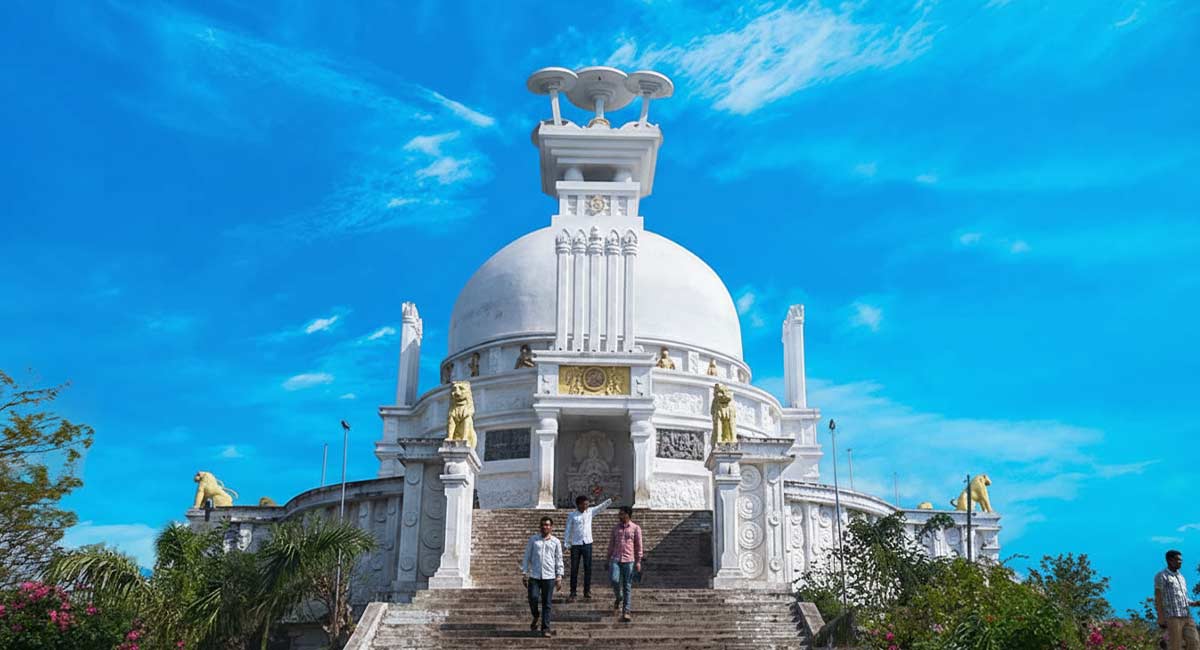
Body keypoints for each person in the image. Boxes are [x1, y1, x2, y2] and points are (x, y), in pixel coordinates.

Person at [563, 494, 613, 602]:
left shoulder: (590, 512)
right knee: (574, 569)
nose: (586, 506)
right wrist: (566, 543)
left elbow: (600, 507)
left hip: (587, 543)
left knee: (588, 568)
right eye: (584, 504)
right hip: (575, 544)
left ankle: (587, 591)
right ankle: (573, 591)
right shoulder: (572, 515)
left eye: (587, 504)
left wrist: (610, 500)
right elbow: (568, 529)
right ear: (579, 504)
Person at [521, 516, 564, 636]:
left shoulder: (556, 541)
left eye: (547, 525)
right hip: (534, 575)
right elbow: (527, 556)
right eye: (543, 525)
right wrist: (524, 572)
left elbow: (559, 559)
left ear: (551, 527)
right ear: (540, 526)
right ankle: (536, 615)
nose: (545, 527)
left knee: (547, 603)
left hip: (549, 576)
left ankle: (545, 628)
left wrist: (559, 576)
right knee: (533, 598)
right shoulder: (533, 540)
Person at [1155, 549, 1200, 650]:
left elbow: (1182, 597)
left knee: (1195, 642)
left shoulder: (1181, 577)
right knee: (1175, 646)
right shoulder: (1161, 576)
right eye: (1178, 560)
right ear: (1169, 560)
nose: (1180, 562)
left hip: (1186, 616)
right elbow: (1158, 597)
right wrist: (1160, 618)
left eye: (1181, 560)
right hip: (1172, 617)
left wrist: (1194, 603)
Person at [607, 505, 643, 623]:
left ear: (627, 515)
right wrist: (607, 559)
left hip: (629, 560)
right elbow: (611, 545)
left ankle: (626, 611)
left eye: (622, 514)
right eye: (619, 513)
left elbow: (638, 546)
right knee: (614, 580)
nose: (619, 516)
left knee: (627, 585)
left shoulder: (635, 528)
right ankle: (619, 597)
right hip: (616, 559)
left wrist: (638, 561)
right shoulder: (615, 528)